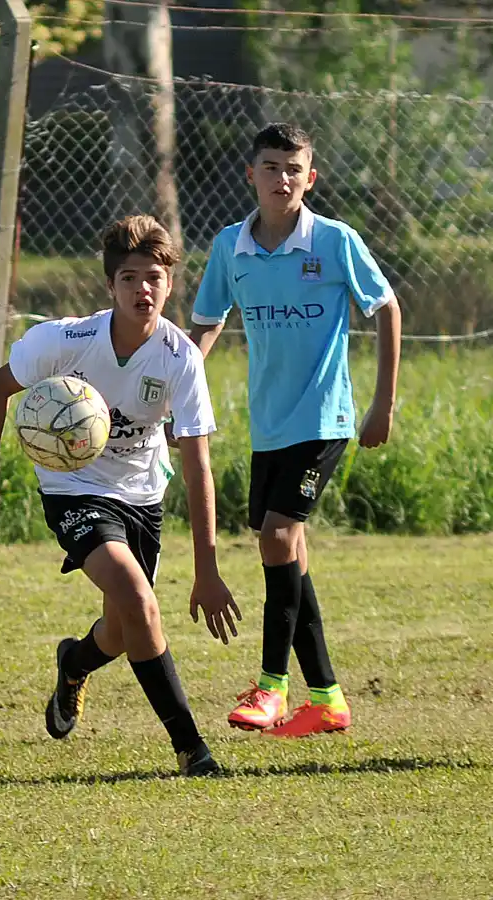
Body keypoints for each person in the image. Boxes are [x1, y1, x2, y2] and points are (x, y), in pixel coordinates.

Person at [0, 215, 242, 776]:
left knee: (126, 629)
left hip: (143, 494)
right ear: (111, 286)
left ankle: (74, 663)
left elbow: (198, 463)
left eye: (154, 277)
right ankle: (190, 748)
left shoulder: (181, 359)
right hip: (72, 488)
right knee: (138, 597)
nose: (142, 289)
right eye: (130, 278)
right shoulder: (65, 340)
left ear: (170, 284)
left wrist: (208, 567)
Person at [189, 122, 402, 738]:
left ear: (310, 178)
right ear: (249, 174)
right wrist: (181, 377)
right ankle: (329, 698)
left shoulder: (334, 241)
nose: (281, 178)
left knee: (277, 538)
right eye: (270, 167)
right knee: (290, 552)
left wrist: (382, 403)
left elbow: (385, 307)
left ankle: (272, 687)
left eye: (293, 168)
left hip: (325, 418)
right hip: (269, 425)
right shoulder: (231, 247)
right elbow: (206, 324)